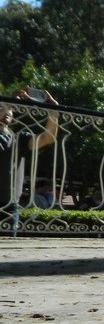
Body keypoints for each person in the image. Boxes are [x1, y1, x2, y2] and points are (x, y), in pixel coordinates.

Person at [1, 87, 59, 236]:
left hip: (9, 206)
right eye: (1, 108)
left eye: (9, 109)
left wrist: (53, 111)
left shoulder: (19, 139)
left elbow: (47, 138)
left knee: (6, 248)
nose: (6, 112)